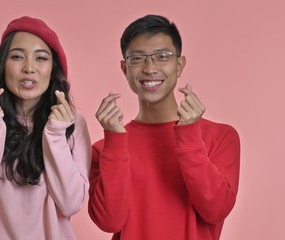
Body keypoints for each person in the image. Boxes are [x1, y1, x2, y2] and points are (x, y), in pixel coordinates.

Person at [88, 14, 240, 240]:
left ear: (179, 65)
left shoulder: (221, 137)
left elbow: (215, 209)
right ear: (124, 68)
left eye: (162, 56)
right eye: (137, 59)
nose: (150, 68)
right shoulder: (105, 148)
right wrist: (115, 141)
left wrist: (189, 136)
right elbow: (109, 221)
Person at [0, 16, 91, 240]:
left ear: (52, 69)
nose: (29, 68)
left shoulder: (72, 122)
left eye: (41, 58)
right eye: (17, 57)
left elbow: (71, 203)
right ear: (2, 64)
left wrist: (55, 135)